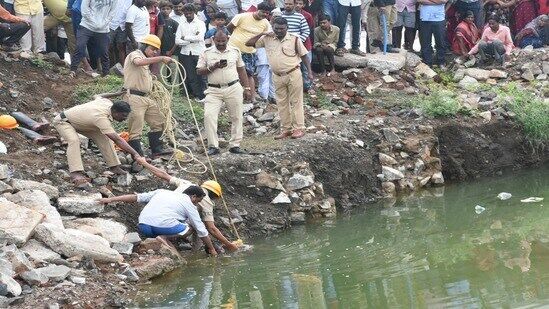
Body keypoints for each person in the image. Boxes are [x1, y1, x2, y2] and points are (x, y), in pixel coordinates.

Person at [138, 160, 240, 252]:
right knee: (196, 225)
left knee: (195, 222)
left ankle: (176, 242)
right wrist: (229, 245)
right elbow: (211, 229)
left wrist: (144, 163)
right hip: (169, 223)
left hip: (148, 220)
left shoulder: (186, 184)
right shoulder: (206, 200)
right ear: (213, 196)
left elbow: (163, 174)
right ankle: (171, 240)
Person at [98, 185, 219, 256]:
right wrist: (212, 249)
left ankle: (160, 237)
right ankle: (164, 237)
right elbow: (201, 230)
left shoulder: (161, 192)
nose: (197, 203)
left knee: (177, 221)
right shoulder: (189, 204)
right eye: (198, 201)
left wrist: (111, 200)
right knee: (191, 227)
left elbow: (136, 197)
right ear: (193, 196)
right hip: (162, 228)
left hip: (144, 227)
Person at [246, 17, 312, 139]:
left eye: (282, 29)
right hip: (277, 75)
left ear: (287, 27)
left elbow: (304, 56)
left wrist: (309, 72)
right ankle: (286, 129)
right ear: (273, 27)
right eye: (276, 28)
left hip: (293, 73)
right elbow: (248, 43)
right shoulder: (267, 38)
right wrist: (262, 33)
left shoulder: (294, 38)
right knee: (281, 103)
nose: (279, 31)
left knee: (296, 101)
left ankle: (299, 128)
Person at [53, 98, 145, 185]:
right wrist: (135, 154)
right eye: (123, 116)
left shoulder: (107, 103)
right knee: (74, 141)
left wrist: (117, 93)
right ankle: (75, 172)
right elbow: (117, 139)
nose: (125, 119)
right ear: (115, 112)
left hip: (83, 123)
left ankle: (114, 167)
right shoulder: (101, 118)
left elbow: (98, 96)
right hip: (63, 121)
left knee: (105, 138)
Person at [197, 30, 251, 155]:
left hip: (233, 87)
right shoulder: (206, 52)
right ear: (213, 39)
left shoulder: (235, 51)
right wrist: (214, 66)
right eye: (218, 41)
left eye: (223, 41)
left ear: (228, 38)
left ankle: (235, 145)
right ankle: (213, 146)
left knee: (237, 116)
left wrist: (247, 88)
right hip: (213, 90)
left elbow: (241, 70)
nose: (221, 43)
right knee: (209, 116)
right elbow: (199, 71)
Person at [123, 34, 173, 157]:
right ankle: (137, 155)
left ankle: (157, 149)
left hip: (146, 97)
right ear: (144, 46)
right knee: (136, 127)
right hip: (134, 97)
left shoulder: (146, 61)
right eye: (152, 49)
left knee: (159, 119)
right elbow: (138, 62)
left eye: (156, 50)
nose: (154, 52)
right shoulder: (135, 54)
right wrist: (161, 58)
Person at [227, 2, 272, 103]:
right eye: (263, 12)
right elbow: (229, 27)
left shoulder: (266, 23)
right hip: (233, 49)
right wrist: (237, 37)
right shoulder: (241, 16)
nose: (265, 15)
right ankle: (233, 97)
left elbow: (267, 36)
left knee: (249, 74)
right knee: (232, 73)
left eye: (267, 13)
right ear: (257, 9)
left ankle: (252, 97)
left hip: (250, 52)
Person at [69, 0, 118, 77]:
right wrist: (94, 23)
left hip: (103, 28)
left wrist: (103, 23)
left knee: (104, 51)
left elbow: (112, 13)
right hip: (86, 25)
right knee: (80, 46)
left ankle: (106, 73)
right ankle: (73, 70)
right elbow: (84, 10)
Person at [175, 3, 207, 101]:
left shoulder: (200, 23)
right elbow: (177, 41)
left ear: (194, 12)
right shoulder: (181, 24)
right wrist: (192, 39)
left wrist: (185, 38)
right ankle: (198, 95)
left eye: (190, 13)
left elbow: (200, 38)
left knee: (202, 76)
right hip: (185, 53)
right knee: (191, 76)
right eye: (186, 13)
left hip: (199, 52)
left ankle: (205, 95)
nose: (188, 15)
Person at [417, 0, 447, 67]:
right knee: (425, 42)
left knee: (440, 41)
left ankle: (441, 62)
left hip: (439, 18)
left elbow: (444, 1)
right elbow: (419, 1)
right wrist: (437, 2)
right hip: (425, 18)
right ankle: (427, 62)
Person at [108, 0, 132, 66]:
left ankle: (122, 66)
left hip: (123, 24)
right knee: (108, 46)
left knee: (121, 46)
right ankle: (111, 65)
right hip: (111, 23)